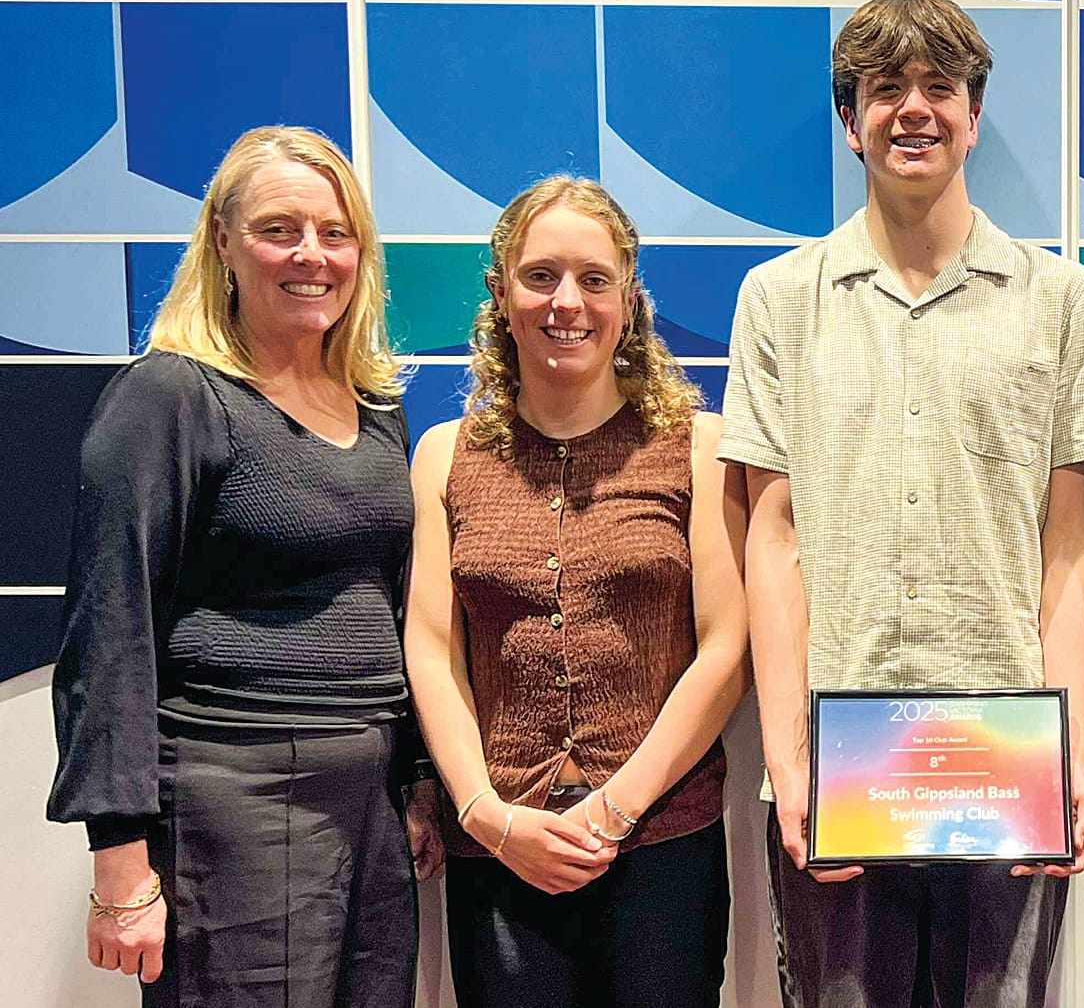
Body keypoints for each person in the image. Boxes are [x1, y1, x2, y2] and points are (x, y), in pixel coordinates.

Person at [719, 0, 1084, 1007]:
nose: (913, 109)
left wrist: (1067, 751)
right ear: (849, 120)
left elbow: (1069, 542)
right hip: (840, 765)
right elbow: (772, 539)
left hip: (1006, 759)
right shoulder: (778, 299)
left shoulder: (1061, 299)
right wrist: (789, 760)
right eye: (884, 88)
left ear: (974, 116)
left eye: (940, 86)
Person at [46, 126, 437, 1006]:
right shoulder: (171, 395)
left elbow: (387, 599)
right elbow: (108, 626)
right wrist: (118, 861)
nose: (311, 255)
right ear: (222, 241)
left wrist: (413, 779)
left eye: (335, 233)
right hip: (233, 793)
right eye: (278, 230)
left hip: (369, 792)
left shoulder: (374, 402)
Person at [404, 176, 748, 1008]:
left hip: (661, 845)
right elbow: (432, 650)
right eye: (540, 276)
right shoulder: (443, 455)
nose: (567, 302)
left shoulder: (697, 447)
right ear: (500, 293)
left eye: (594, 279)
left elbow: (725, 649)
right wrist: (483, 813)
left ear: (627, 300)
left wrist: (614, 809)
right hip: (500, 850)